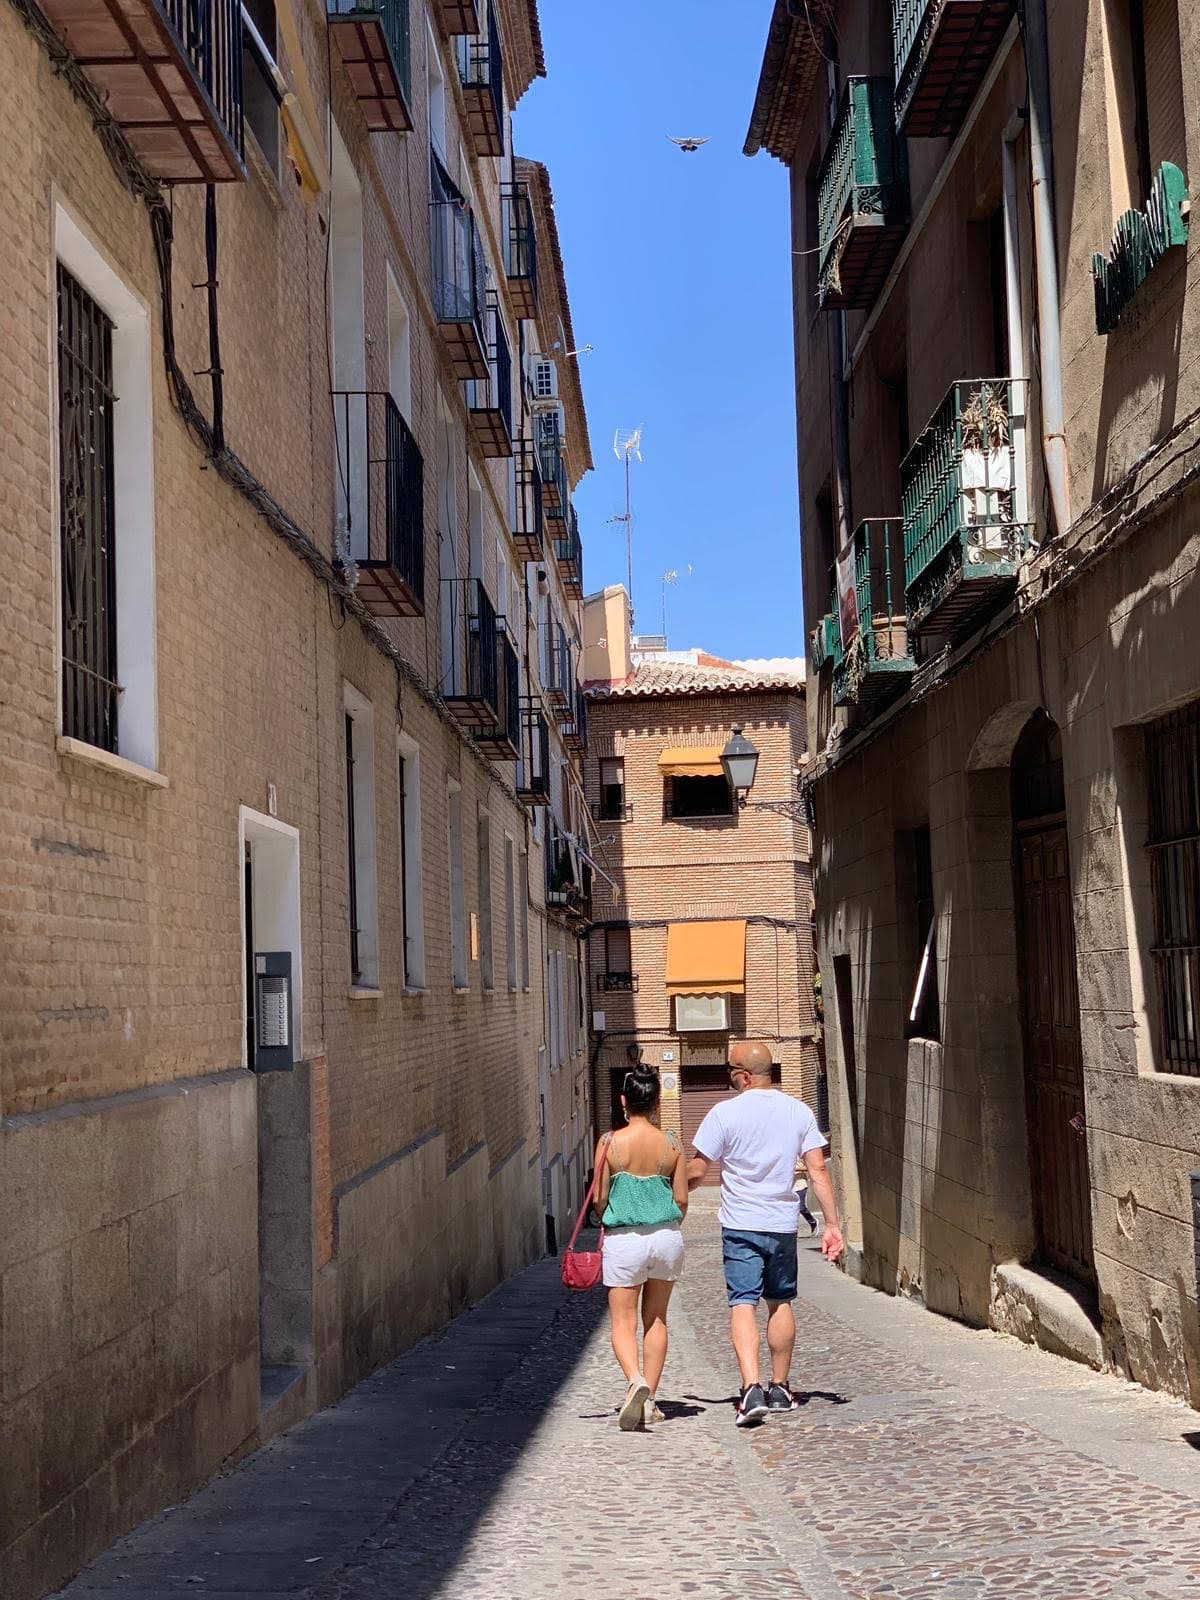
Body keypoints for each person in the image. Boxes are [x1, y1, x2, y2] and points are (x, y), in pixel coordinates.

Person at [687, 1041, 844, 1428]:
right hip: (782, 1224)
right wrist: (833, 1226)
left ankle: (750, 1389)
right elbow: (818, 1170)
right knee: (781, 1302)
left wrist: (669, 1187)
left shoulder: (724, 1114)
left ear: (743, 1075)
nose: (729, 1078)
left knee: (743, 1303)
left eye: (730, 1071)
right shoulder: (799, 1111)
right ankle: (780, 1388)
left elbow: (696, 1171)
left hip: (741, 1224)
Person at [593, 1066, 689, 1431]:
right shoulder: (673, 1143)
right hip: (666, 1236)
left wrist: (612, 1212)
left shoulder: (609, 1143)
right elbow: (681, 1199)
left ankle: (636, 1381)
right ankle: (651, 1401)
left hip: (625, 1238)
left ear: (623, 1102)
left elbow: (600, 1197)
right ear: (655, 1103)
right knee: (657, 1318)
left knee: (622, 1321)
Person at [795, 1155, 819, 1235]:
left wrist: (795, 1169)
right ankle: (794, 1231)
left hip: (800, 1184)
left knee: (801, 1207)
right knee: (791, 1210)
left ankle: (812, 1221)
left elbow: (808, 1167)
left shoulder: (800, 1156)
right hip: (788, 1185)